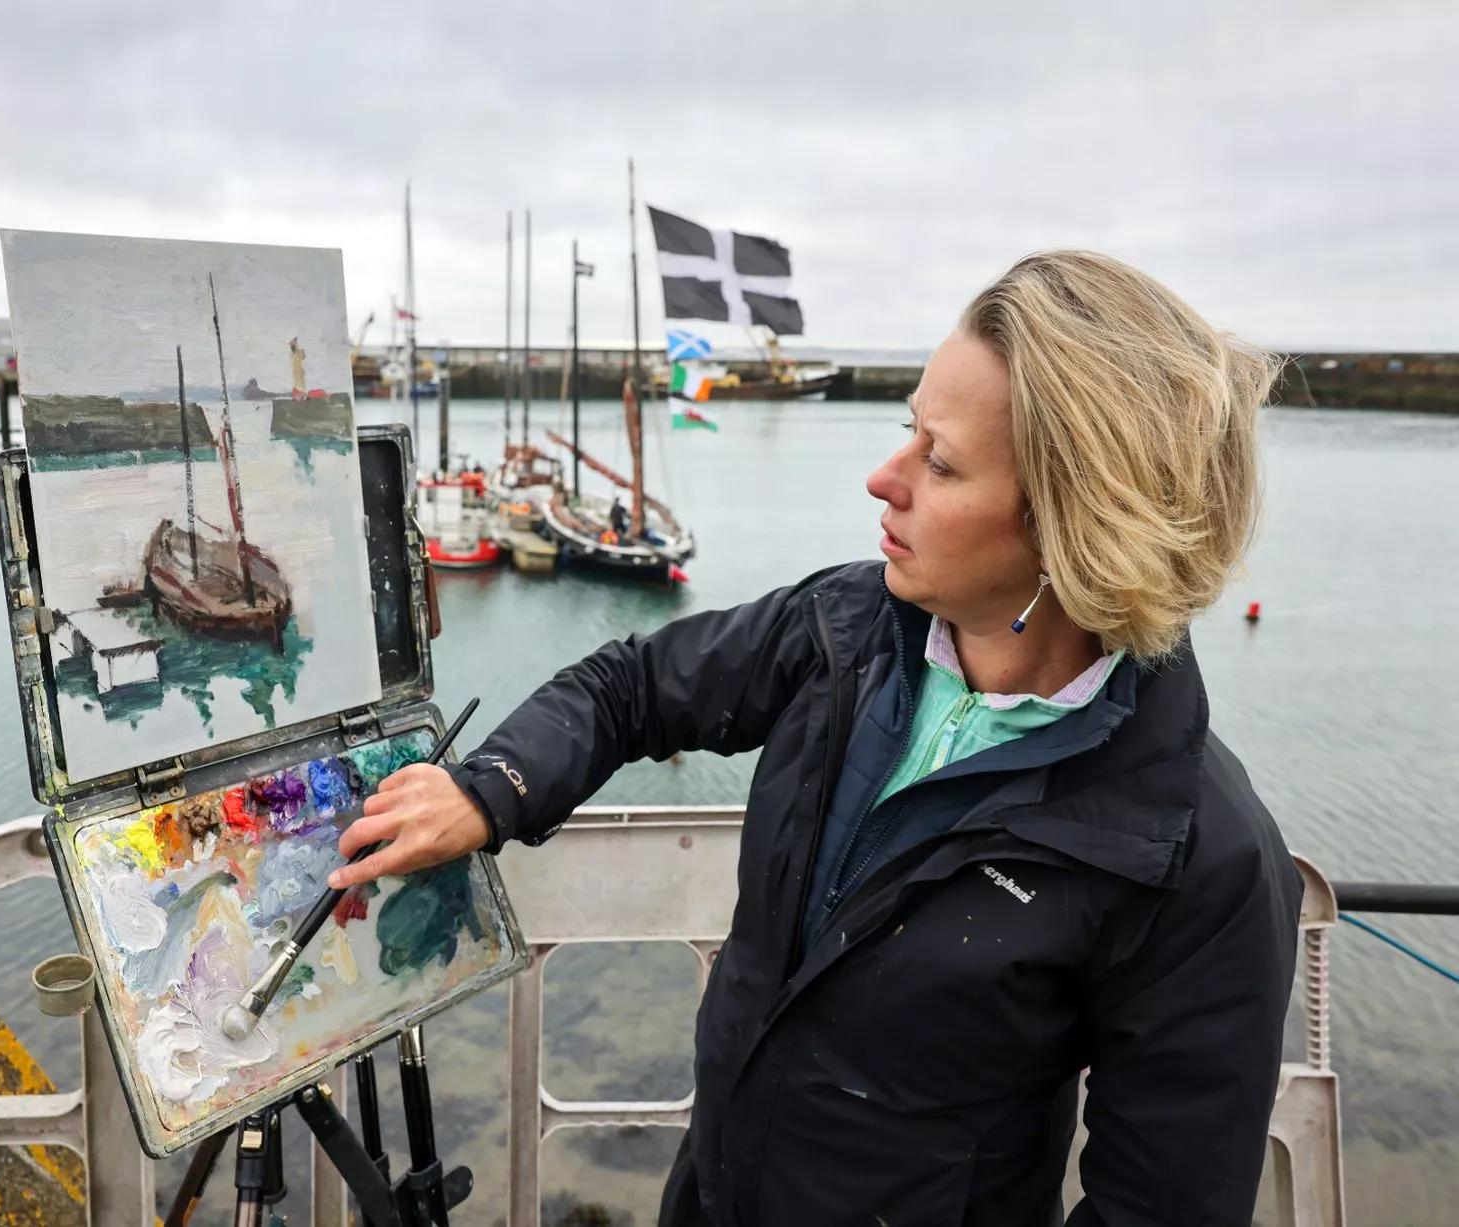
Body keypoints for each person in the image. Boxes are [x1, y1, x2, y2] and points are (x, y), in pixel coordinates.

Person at [333, 251, 1304, 1225]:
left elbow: (1161, 1209)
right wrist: (491, 786)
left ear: (1074, 523)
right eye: (905, 434)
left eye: (941, 461)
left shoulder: (1192, 853)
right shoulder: (844, 630)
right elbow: (631, 686)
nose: (884, 480)